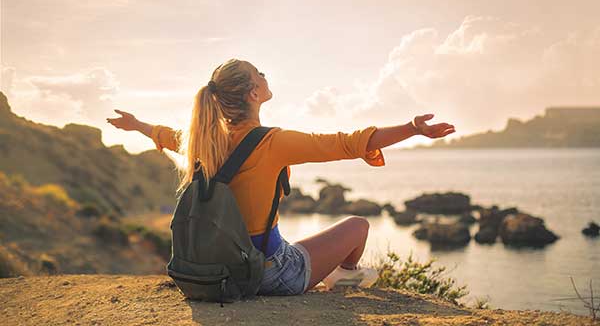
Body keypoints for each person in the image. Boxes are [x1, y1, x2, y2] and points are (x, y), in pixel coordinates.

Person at [106, 58, 455, 295]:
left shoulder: (203, 142)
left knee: (320, 239)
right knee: (358, 226)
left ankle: (335, 275)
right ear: (253, 94)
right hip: (267, 273)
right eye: (260, 73)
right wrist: (412, 128)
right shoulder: (273, 143)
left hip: (213, 271)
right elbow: (348, 143)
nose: (265, 75)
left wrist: (136, 125)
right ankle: (344, 278)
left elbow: (168, 135)